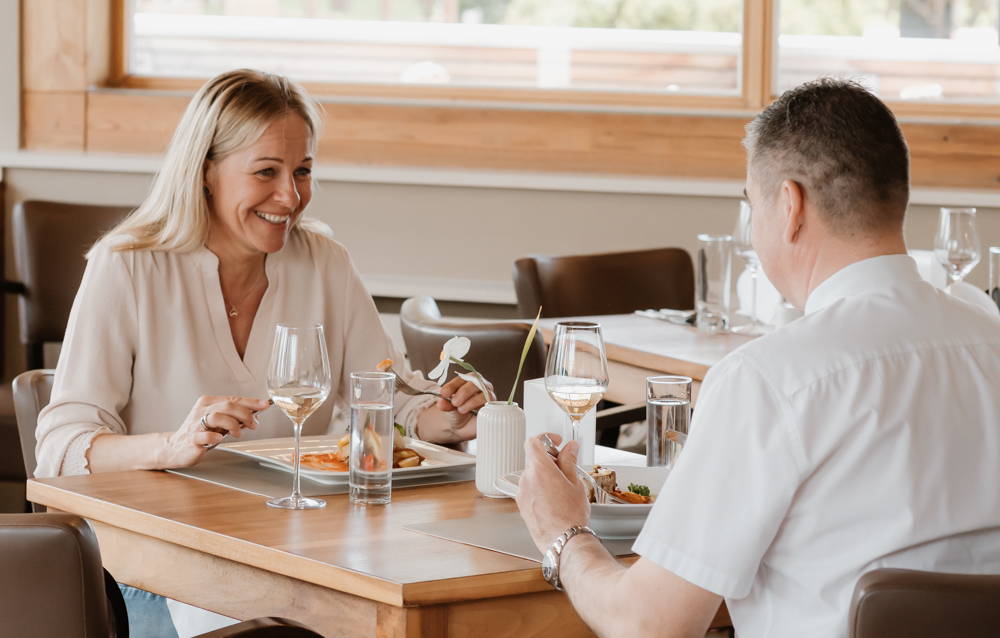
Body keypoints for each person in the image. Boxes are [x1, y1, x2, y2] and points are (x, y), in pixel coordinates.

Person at [515, 78, 1000, 638]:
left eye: (752, 204)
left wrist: (563, 533)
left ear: (790, 206)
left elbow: (648, 625)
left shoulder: (770, 381)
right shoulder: (988, 334)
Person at [34, 69, 488, 481]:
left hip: (293, 535)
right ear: (205, 170)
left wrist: (445, 418)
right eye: (266, 171)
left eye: (302, 171)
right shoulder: (127, 267)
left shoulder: (326, 264)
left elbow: (389, 402)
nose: (290, 197)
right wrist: (173, 445)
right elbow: (62, 448)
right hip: (154, 545)